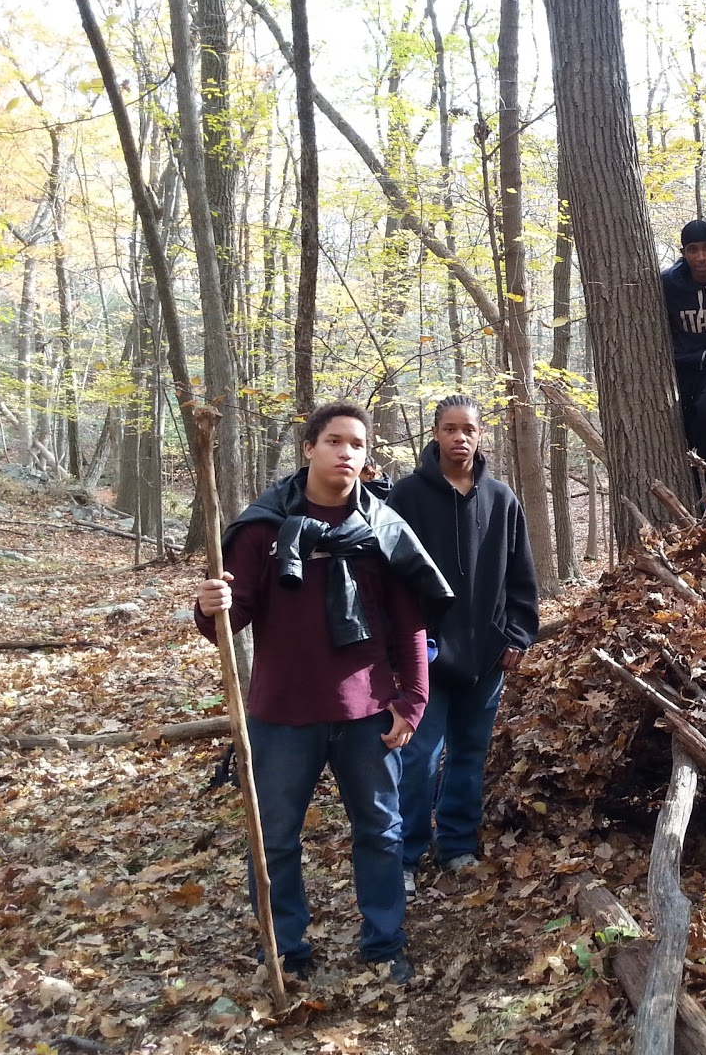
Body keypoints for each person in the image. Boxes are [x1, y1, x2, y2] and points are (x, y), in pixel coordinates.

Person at [194, 401, 453, 987]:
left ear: (365, 458)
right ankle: (285, 949)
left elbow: (410, 622)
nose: (345, 452)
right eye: (334, 441)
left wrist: (412, 701)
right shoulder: (261, 529)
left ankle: (384, 944)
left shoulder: (383, 530)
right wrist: (211, 606)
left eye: (356, 444)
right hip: (282, 713)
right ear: (308, 448)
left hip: (367, 713)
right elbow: (224, 624)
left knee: (381, 832)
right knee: (276, 835)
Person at [388, 394, 539, 894]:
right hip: (424, 657)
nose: (460, 438)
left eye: (468, 429)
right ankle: (406, 855)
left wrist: (518, 636)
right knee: (419, 757)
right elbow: (384, 581)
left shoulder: (501, 500)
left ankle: (456, 846)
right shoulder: (407, 498)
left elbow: (522, 579)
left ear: (480, 434)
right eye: (450, 428)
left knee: (470, 755)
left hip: (486, 656)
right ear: (435, 434)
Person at [660, 219, 706, 485]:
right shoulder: (669, 284)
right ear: (684, 253)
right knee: (681, 423)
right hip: (684, 365)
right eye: (693, 249)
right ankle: (694, 488)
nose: (701, 257)